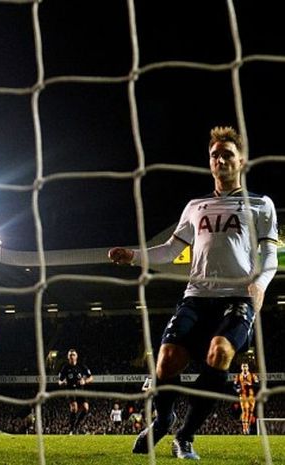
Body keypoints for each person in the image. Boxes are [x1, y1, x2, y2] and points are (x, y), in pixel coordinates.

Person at [108, 126, 279, 459]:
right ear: (209, 162)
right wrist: (134, 256)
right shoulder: (195, 206)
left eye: (227, 154)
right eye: (214, 154)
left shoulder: (261, 205)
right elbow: (171, 251)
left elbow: (270, 254)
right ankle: (163, 419)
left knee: (220, 352)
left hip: (237, 297)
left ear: (241, 161)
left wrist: (260, 285)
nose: (220, 159)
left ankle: (184, 436)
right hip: (196, 296)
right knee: (167, 360)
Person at [57, 349, 93, 434]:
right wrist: (62, 383)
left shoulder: (81, 366)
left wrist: (85, 381)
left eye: (73, 355)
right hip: (70, 390)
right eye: (70, 355)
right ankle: (71, 429)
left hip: (80, 390)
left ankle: (76, 426)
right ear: (68, 357)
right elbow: (59, 381)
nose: (72, 357)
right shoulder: (65, 368)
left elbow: (91, 378)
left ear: (76, 356)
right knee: (74, 408)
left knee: (86, 408)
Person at [234, 362, 259, 435]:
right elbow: (234, 386)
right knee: (245, 411)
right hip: (243, 395)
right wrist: (237, 390)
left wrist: (250, 384)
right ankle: (244, 428)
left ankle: (248, 427)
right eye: (243, 366)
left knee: (251, 412)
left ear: (248, 368)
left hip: (251, 396)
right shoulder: (238, 376)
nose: (244, 368)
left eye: (246, 366)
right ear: (241, 368)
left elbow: (258, 385)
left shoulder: (253, 375)